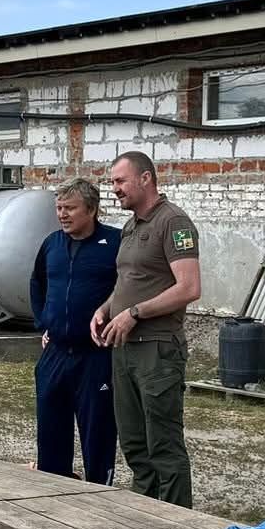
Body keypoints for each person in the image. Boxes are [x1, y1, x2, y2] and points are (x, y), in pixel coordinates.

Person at [90, 151, 200, 506]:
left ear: (145, 179)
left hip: (157, 348)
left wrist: (135, 313)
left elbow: (189, 288)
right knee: (135, 442)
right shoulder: (131, 226)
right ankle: (144, 512)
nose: (115, 189)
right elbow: (131, 279)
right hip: (124, 348)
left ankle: (175, 522)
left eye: (120, 181)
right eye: (112, 182)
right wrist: (106, 309)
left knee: (163, 443)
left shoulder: (174, 223)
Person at [28, 179, 119, 482]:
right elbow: (37, 283)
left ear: (91, 210)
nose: (62, 214)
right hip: (55, 354)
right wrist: (46, 322)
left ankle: (99, 492)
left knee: (98, 432)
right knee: (51, 430)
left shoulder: (115, 244)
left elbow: (130, 287)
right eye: (59, 208)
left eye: (70, 208)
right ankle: (53, 485)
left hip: (95, 356)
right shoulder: (51, 244)